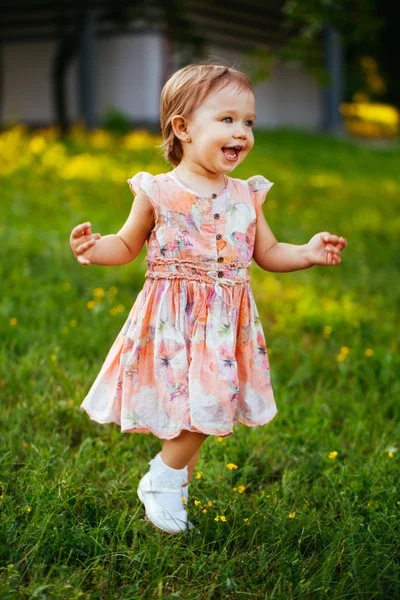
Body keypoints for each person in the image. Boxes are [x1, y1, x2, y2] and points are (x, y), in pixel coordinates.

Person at [70, 63, 348, 535]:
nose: (241, 132)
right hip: (171, 318)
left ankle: (173, 488)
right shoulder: (158, 191)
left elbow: (269, 253)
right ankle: (163, 480)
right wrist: (96, 250)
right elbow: (126, 243)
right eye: (227, 120)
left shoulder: (247, 194)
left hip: (224, 322)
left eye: (248, 122)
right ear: (182, 128)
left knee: (205, 404)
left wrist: (306, 253)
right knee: (201, 404)